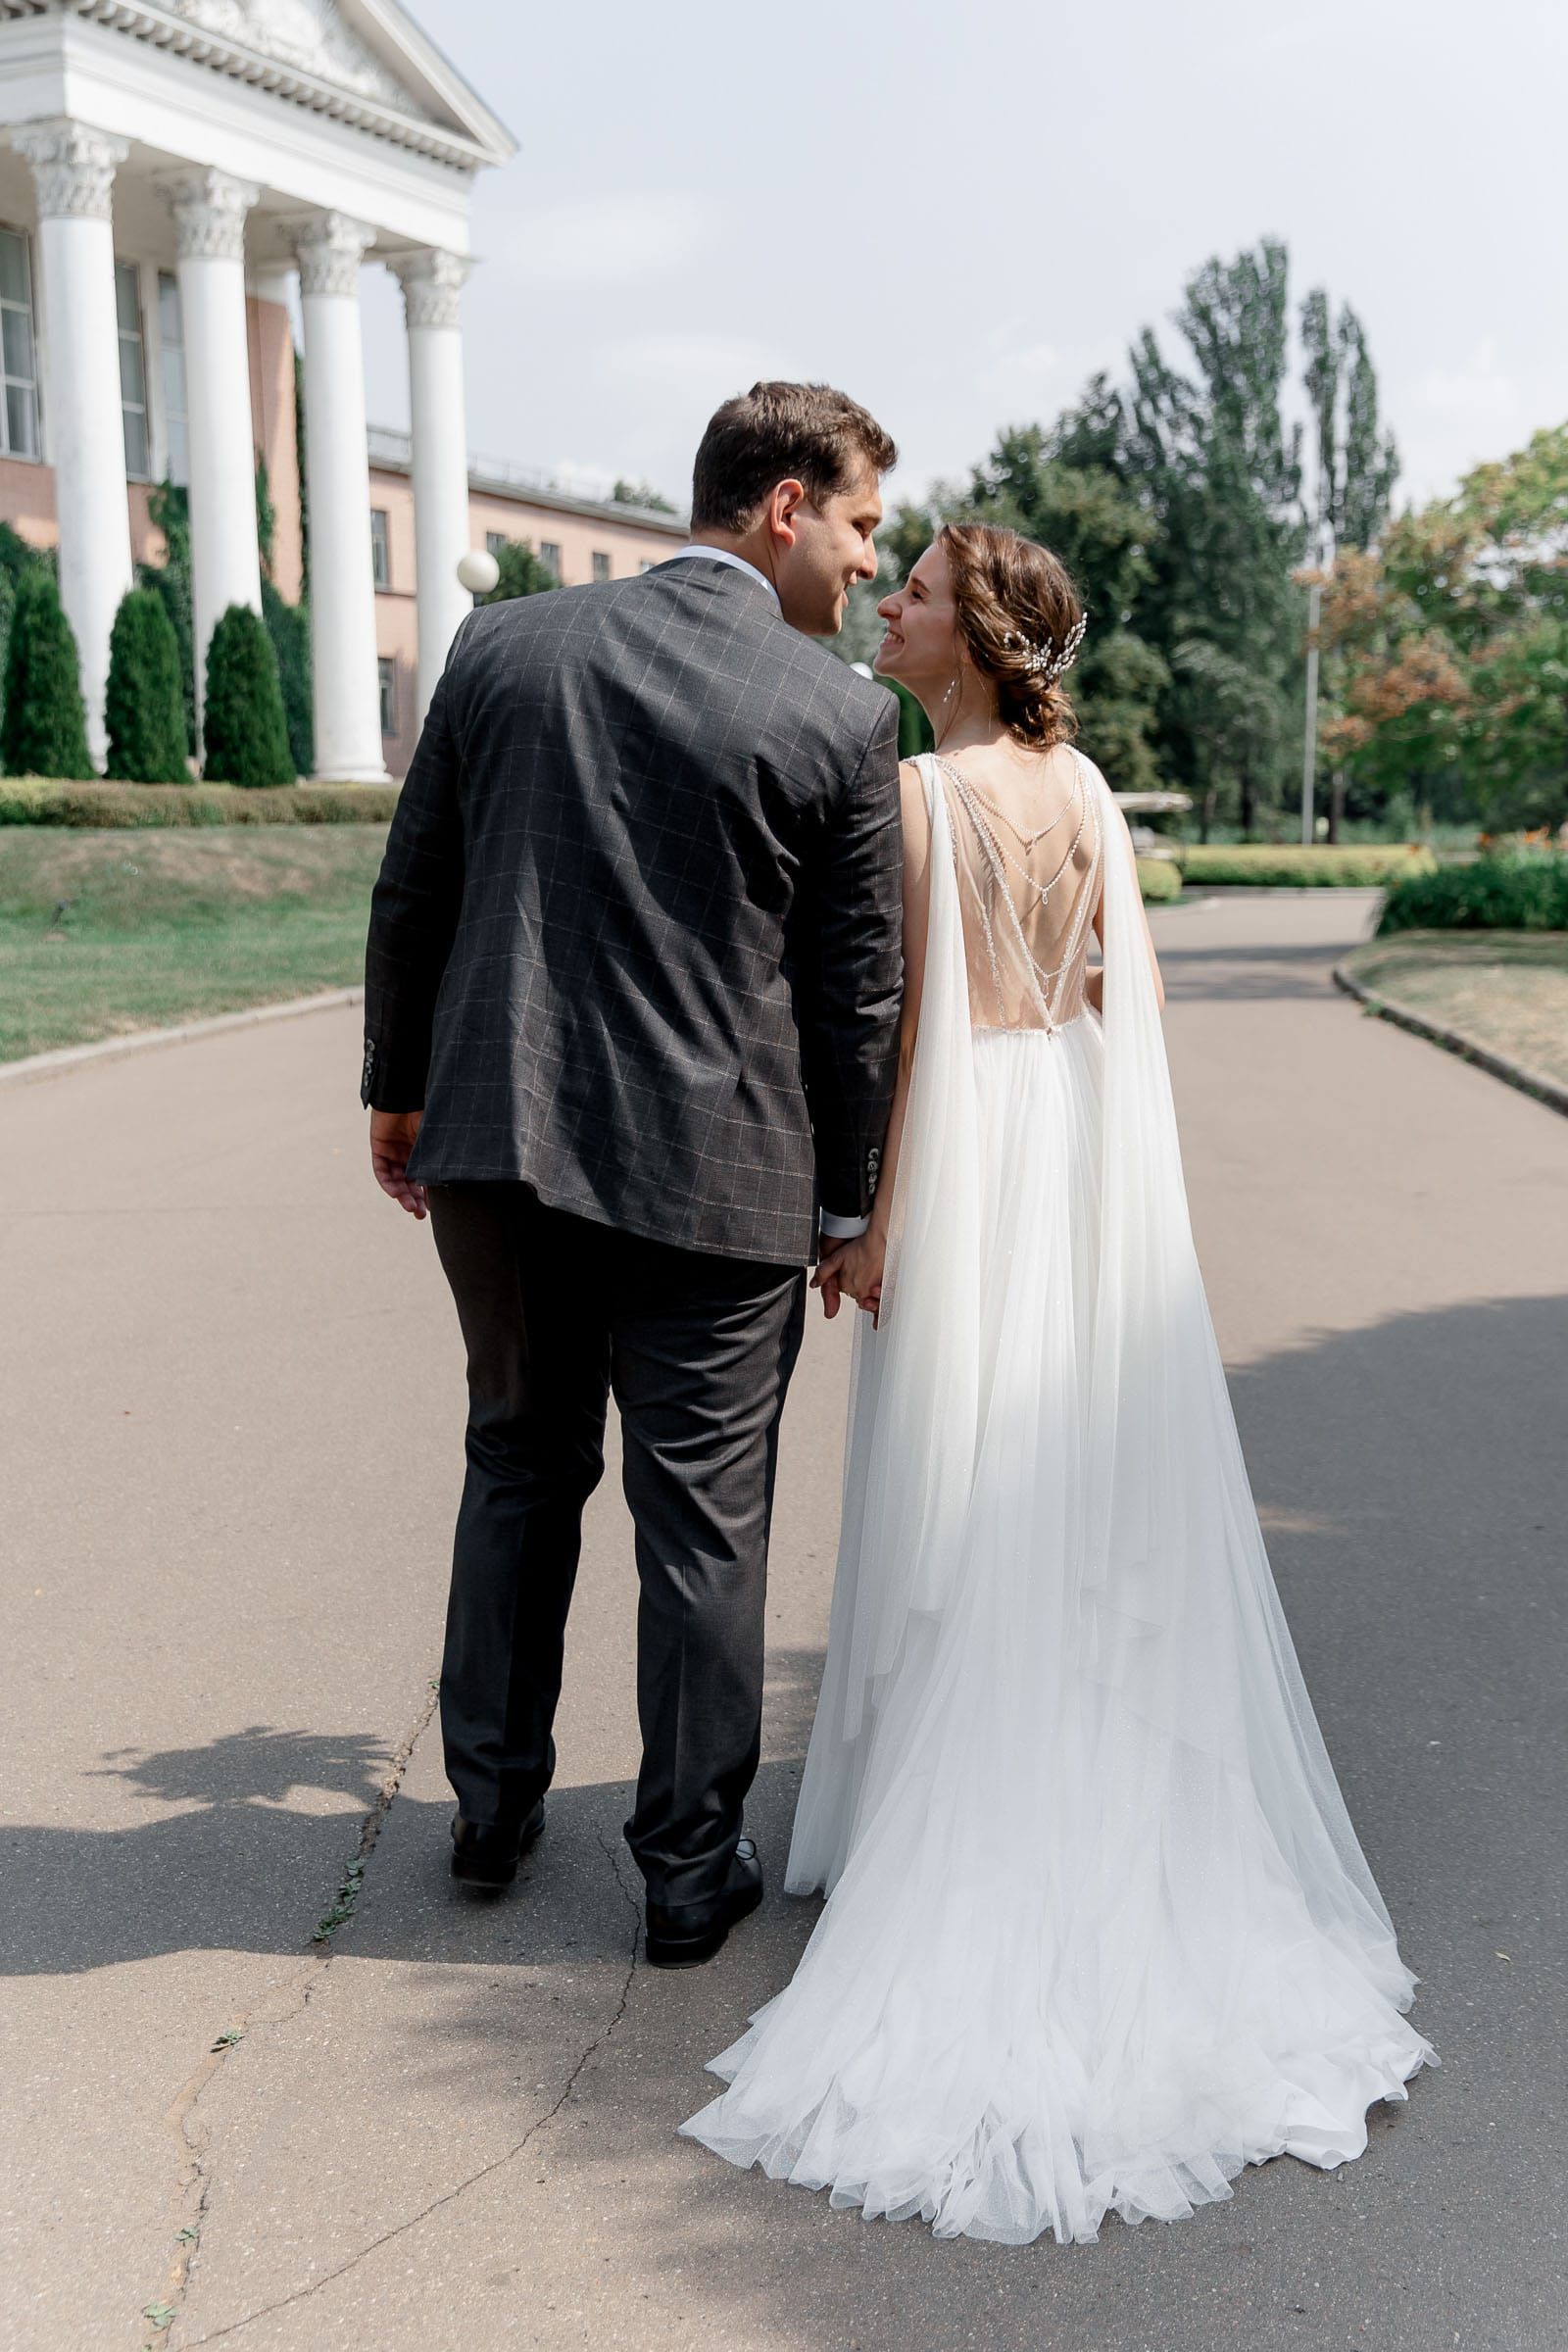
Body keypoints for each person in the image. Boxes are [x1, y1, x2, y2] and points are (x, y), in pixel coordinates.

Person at [682, 522, 1437, 2240]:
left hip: (968, 1155)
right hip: (1072, 1155)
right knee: (1054, 1478)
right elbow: (1120, 1001)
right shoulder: (1087, 793)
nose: (891, 603)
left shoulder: (923, 795)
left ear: (977, 639)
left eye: (922, 594)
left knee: (953, 1467)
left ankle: (943, 1811)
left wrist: (864, 1214)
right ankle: (1064, 1764)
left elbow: (902, 1018)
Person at [361, 382, 904, 1969]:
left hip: (497, 1145)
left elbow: (414, 893)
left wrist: (398, 1097)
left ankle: (490, 1810)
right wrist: (851, 1200)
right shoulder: (837, 715)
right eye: (865, 524)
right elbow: (854, 991)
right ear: (787, 505)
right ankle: (683, 1869)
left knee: (518, 1461)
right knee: (706, 1523)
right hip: (722, 1176)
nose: (871, 566)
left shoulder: (505, 646)